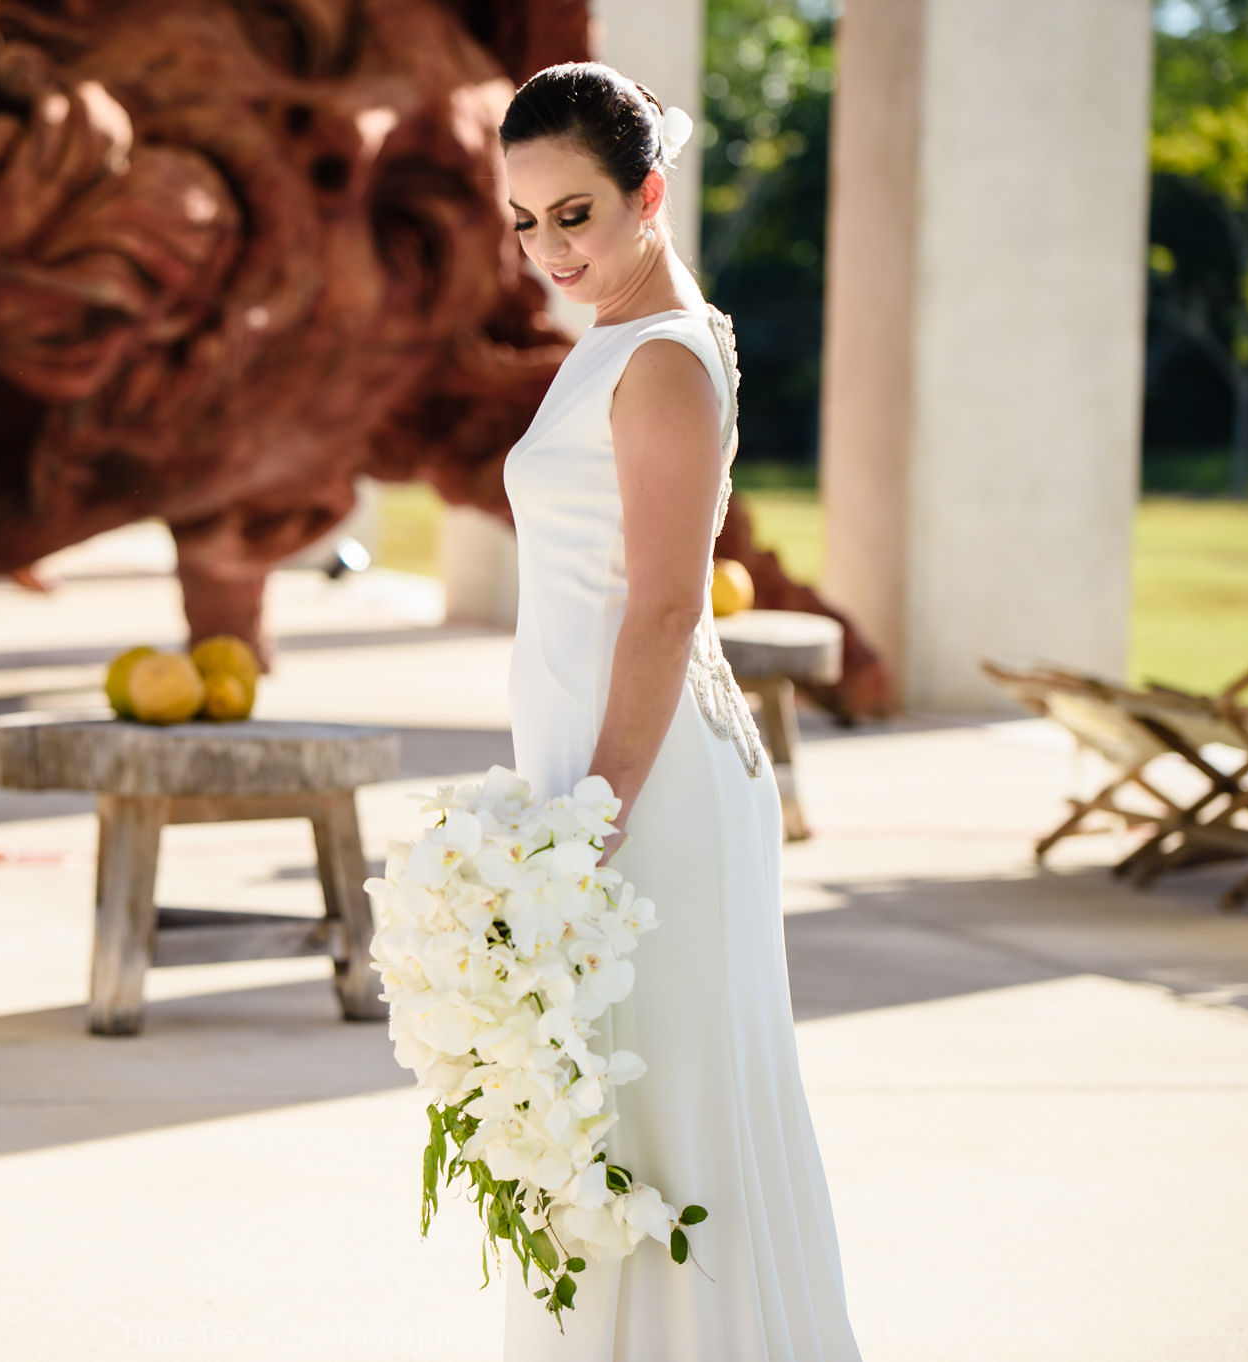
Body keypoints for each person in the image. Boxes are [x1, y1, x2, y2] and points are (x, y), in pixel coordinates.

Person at [498, 62, 864, 1360]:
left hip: (637, 792)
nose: (550, 248)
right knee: (599, 1133)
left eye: (577, 214)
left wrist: (584, 823)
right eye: (525, 220)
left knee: (658, 1132)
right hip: (594, 777)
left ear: (651, 195)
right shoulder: (616, 339)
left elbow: (660, 610)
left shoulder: (659, 361)